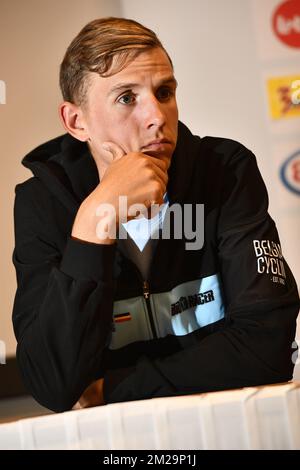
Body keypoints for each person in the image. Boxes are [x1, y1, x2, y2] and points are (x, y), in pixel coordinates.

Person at [12, 17, 299, 413]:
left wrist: (112, 389)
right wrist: (95, 219)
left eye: (164, 92)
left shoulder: (225, 170)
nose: (157, 117)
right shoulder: (42, 203)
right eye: (127, 98)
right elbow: (53, 383)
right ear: (77, 122)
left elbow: (268, 346)